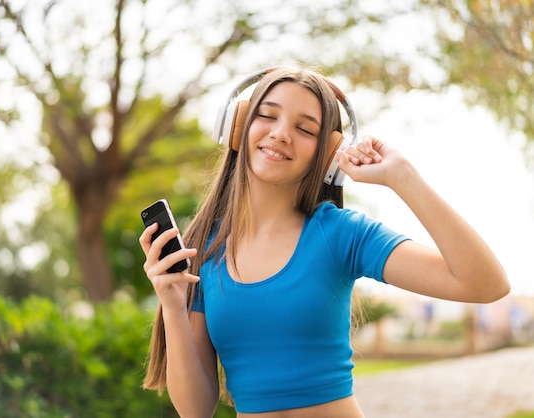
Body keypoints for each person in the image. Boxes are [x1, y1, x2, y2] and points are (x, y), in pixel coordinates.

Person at [138, 66, 510, 418]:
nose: (281, 133)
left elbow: (486, 284)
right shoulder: (205, 250)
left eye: (305, 128)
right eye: (268, 115)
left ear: (328, 154)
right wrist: (172, 304)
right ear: (238, 125)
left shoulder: (340, 233)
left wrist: (402, 176)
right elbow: (195, 409)